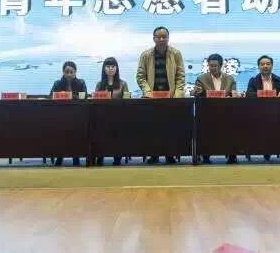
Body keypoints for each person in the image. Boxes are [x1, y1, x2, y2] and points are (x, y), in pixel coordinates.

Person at [136, 26, 186, 164]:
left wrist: (177, 96)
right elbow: (140, 76)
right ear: (154, 39)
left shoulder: (176, 53)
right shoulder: (146, 55)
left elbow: (180, 76)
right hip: (152, 98)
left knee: (170, 127)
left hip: (171, 98)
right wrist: (148, 93)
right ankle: (154, 154)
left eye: (164, 37)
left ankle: (170, 154)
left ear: (168, 38)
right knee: (153, 127)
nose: (162, 39)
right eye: (159, 37)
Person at [192, 53, 238, 164]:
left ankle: (232, 155)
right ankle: (205, 155)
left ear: (221, 66)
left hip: (226, 113)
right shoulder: (201, 78)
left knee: (234, 124)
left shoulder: (230, 79)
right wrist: (196, 92)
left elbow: (233, 95)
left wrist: (234, 95)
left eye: (215, 66)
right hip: (207, 112)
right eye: (210, 66)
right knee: (203, 124)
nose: (212, 68)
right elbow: (196, 93)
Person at [246, 55, 280, 162]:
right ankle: (264, 149)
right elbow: (249, 95)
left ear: (272, 66)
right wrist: (265, 94)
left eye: (268, 64)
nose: (265, 66)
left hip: (276, 113)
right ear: (258, 67)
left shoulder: (279, 80)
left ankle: (274, 148)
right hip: (258, 113)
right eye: (262, 64)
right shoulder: (253, 80)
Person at [50, 61, 87, 167]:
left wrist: (68, 95)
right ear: (63, 72)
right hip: (60, 116)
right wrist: (60, 95)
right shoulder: (57, 83)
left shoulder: (81, 83)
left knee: (76, 135)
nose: (69, 74)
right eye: (67, 72)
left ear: (75, 72)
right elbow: (50, 97)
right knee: (60, 136)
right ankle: (59, 157)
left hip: (76, 115)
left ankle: (76, 158)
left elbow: (84, 97)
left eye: (71, 72)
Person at [94, 57, 129, 166]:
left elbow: (127, 101)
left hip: (118, 117)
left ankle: (117, 158)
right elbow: (95, 101)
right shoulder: (99, 84)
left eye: (113, 66)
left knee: (118, 133)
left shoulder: (123, 84)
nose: (110, 69)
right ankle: (100, 157)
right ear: (104, 69)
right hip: (102, 116)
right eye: (108, 66)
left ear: (116, 68)